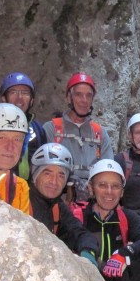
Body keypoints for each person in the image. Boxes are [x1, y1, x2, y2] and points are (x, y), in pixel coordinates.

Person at [43, 72, 114, 202]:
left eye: (88, 95)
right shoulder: (51, 129)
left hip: (92, 201)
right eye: (78, 94)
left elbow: (108, 171)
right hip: (58, 198)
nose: (84, 100)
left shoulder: (100, 133)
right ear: (69, 98)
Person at [28, 143, 99, 264]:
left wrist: (88, 252)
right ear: (35, 174)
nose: (54, 181)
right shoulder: (20, 198)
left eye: (61, 176)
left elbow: (79, 232)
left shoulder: (57, 207)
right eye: (47, 173)